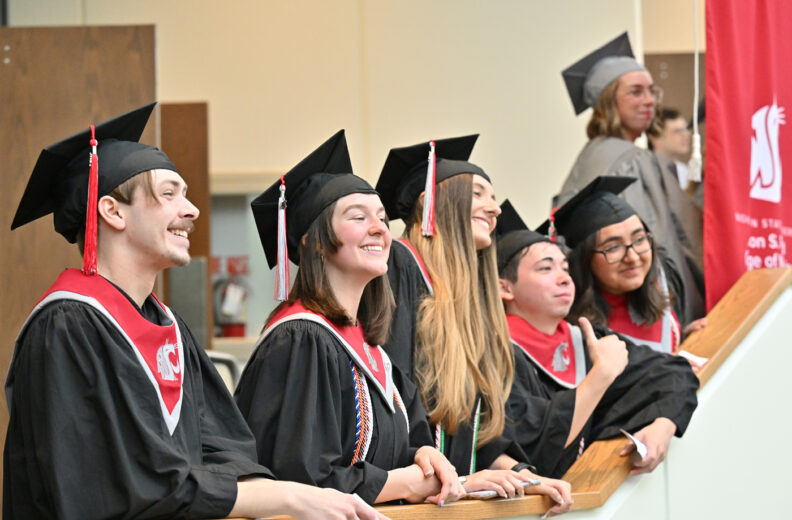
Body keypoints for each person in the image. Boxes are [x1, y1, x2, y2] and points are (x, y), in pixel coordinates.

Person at [4, 104, 385, 520]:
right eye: (169, 194)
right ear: (112, 211)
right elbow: (114, 487)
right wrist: (286, 497)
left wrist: (299, 494)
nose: (191, 210)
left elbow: (224, 446)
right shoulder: (67, 326)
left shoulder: (169, 327)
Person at [234, 130, 464, 506]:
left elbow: (408, 446)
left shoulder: (373, 351)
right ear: (316, 241)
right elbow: (301, 481)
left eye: (382, 218)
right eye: (358, 217)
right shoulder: (301, 340)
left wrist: (426, 457)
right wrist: (405, 484)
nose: (379, 228)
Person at [376, 135, 572, 514]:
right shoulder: (400, 266)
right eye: (479, 194)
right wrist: (457, 481)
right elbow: (396, 402)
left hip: (448, 500)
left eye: (494, 198)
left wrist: (522, 475)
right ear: (429, 202)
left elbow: (471, 427)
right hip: (405, 502)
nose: (493, 209)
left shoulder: (466, 302)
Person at [496, 199, 699, 478]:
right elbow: (531, 447)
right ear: (504, 288)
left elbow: (673, 373)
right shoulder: (493, 355)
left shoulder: (587, 339)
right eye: (546, 268)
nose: (564, 279)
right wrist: (601, 374)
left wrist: (664, 424)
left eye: (565, 268)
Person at [557, 32, 705, 327]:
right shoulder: (624, 159)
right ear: (608, 102)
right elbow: (656, 236)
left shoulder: (606, 153)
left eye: (652, 91)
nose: (649, 100)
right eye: (636, 92)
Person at [544, 176, 706, 354]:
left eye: (639, 239)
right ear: (585, 259)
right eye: (614, 247)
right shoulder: (576, 333)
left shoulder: (663, 277)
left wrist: (684, 339)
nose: (633, 257)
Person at [647, 107, 692, 190]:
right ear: (655, 136)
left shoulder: (686, 173)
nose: (686, 135)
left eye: (686, 129)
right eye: (678, 131)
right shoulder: (646, 171)